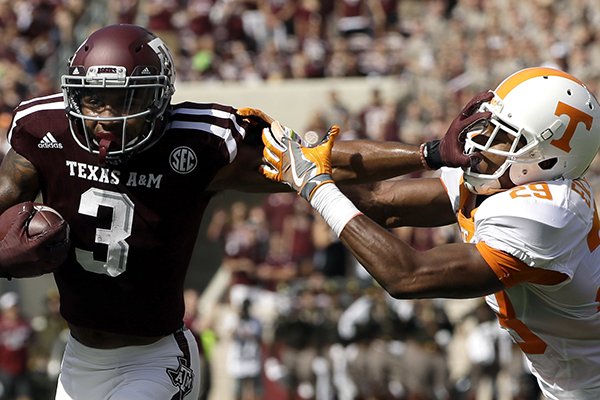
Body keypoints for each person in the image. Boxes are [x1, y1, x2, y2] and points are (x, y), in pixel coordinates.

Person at [0, 23, 479, 399]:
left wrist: (429, 153)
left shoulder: (202, 142)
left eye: (124, 101)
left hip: (154, 357)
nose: (105, 118)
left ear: (160, 97)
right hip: (78, 359)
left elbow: (313, 161)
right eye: (93, 100)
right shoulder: (43, 129)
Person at [260, 66, 600, 400]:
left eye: (506, 135)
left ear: (547, 161)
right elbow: (382, 201)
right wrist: (299, 155)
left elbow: (408, 276)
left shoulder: (549, 211)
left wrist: (315, 187)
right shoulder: (507, 182)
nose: (482, 141)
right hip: (573, 382)